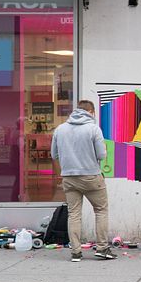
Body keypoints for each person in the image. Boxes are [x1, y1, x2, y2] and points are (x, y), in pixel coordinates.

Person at [51, 100, 115, 262]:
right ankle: (102, 248)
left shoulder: (60, 129)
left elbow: (54, 155)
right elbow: (101, 155)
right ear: (91, 111)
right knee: (101, 210)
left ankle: (76, 252)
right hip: (91, 176)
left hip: (69, 177)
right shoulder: (93, 129)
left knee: (74, 214)